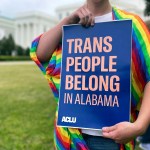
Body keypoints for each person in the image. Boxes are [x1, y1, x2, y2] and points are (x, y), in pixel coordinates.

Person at [30, 0, 150, 149]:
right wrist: (68, 20)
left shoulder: (132, 24)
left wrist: (140, 126)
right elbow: (40, 53)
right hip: (70, 135)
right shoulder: (72, 26)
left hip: (111, 138)